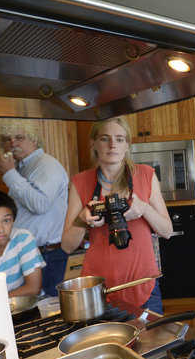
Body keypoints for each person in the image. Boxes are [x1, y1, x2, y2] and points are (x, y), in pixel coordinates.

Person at [61, 117, 172, 313]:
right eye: (105, 139)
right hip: (98, 289)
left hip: (143, 284)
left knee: (150, 343)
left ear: (128, 144)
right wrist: (82, 219)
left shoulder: (145, 175)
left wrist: (144, 209)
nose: (113, 145)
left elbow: (167, 231)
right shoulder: (80, 181)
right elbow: (67, 246)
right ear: (93, 143)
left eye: (120, 139)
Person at [0, 119, 69, 296]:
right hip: (32, 253)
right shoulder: (22, 168)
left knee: (46, 311)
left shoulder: (46, 165)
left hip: (47, 254)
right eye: (7, 139)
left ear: (35, 140)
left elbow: (39, 204)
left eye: (19, 137)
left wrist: (9, 174)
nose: (13, 143)